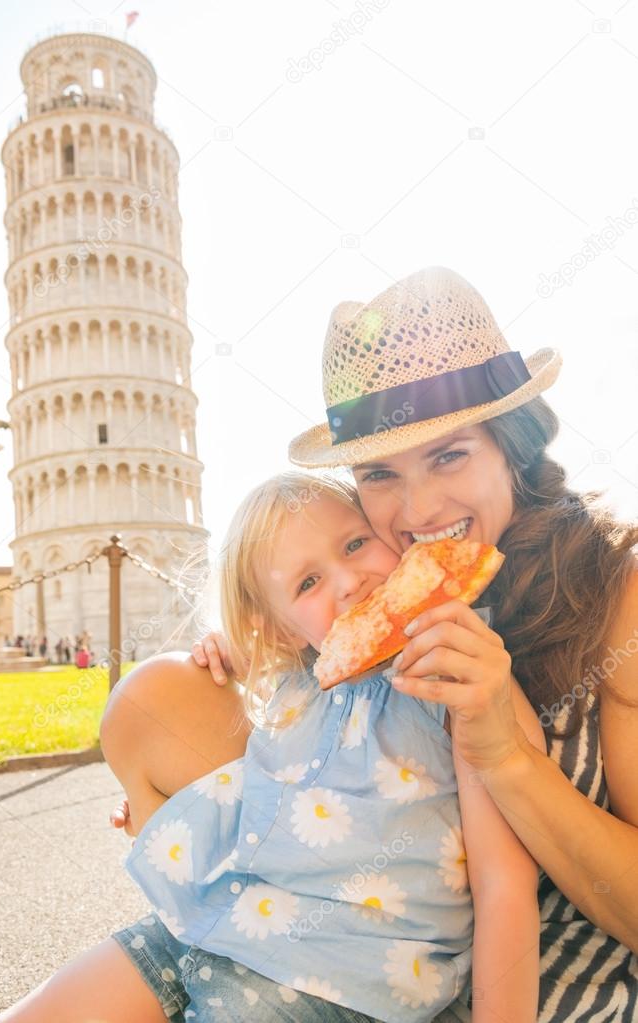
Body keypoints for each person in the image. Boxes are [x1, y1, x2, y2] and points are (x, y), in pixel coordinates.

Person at [190, 266, 638, 1020]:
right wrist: (243, 657)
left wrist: (506, 754)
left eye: (449, 455)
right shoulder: (376, 592)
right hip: (351, 984)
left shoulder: (615, 593)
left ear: (512, 446)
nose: (419, 508)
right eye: (378, 474)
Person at [0, 470, 544, 1023]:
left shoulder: (459, 679)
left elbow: (503, 886)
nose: (349, 581)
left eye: (355, 544)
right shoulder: (295, 681)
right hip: (214, 926)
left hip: (337, 981)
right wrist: (223, 651)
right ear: (279, 630)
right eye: (308, 583)